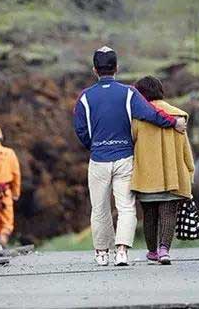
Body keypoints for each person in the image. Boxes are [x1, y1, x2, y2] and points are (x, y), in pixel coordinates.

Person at [73, 46, 187, 266]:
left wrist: (93, 146)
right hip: (125, 157)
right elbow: (151, 114)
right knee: (126, 206)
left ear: (94, 69)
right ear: (117, 68)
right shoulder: (129, 93)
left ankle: (101, 253)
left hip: (98, 159)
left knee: (99, 208)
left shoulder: (85, 97)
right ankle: (122, 251)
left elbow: (80, 129)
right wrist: (174, 122)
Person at [130, 76, 195, 265]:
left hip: (146, 177)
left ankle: (152, 252)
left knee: (149, 215)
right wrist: (190, 170)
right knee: (168, 214)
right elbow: (185, 148)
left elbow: (131, 143)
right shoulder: (177, 116)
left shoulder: (138, 118)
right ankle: (164, 250)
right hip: (172, 175)